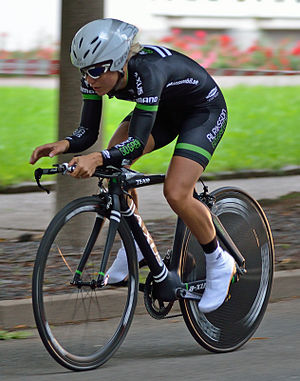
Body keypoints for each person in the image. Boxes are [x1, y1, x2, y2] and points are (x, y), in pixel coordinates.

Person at [30, 18, 236, 313]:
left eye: (97, 71)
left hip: (202, 112)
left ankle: (218, 260)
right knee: (115, 167)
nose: (89, 79)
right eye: (84, 71)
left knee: (176, 192)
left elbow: (136, 143)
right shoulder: (95, 74)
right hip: (162, 110)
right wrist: (64, 144)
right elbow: (88, 132)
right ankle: (137, 245)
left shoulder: (147, 72)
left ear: (117, 62)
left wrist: (97, 157)